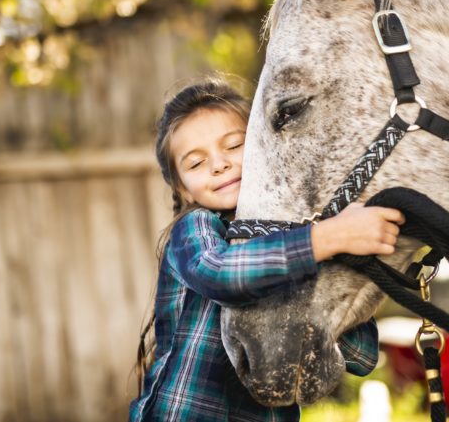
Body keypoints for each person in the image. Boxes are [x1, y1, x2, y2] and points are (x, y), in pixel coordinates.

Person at [129, 77, 405, 422]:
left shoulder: (298, 238)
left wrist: (343, 256)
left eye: (233, 146)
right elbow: (219, 273)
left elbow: (361, 357)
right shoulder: (196, 228)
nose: (219, 164)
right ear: (183, 190)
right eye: (196, 164)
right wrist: (328, 238)